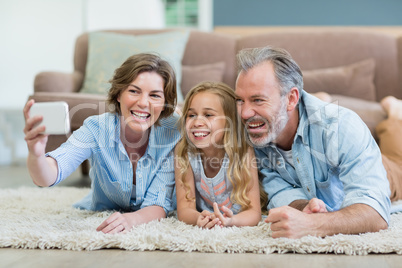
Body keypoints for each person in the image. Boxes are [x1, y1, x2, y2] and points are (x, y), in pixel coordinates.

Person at [234, 46, 402, 238]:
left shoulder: (341, 126)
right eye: (240, 100)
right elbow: (279, 189)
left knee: (398, 159)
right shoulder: (256, 135)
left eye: (257, 100)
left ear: (291, 98)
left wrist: (313, 224)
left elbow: (376, 213)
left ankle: (395, 114)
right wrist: (305, 207)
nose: (244, 113)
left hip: (386, 169)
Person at [23, 53, 181, 234]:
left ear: (164, 104)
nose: (143, 103)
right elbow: (48, 176)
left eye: (155, 96)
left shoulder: (173, 132)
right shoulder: (96, 128)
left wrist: (132, 219)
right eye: (134, 91)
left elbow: (158, 203)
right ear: (119, 94)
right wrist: (36, 154)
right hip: (100, 208)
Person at [174, 82, 262, 229]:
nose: (197, 122)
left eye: (208, 115)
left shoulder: (243, 152)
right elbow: (184, 209)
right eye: (191, 115)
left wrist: (231, 221)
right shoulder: (184, 152)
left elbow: (254, 213)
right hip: (207, 214)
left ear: (229, 122)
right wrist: (199, 218)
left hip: (236, 217)